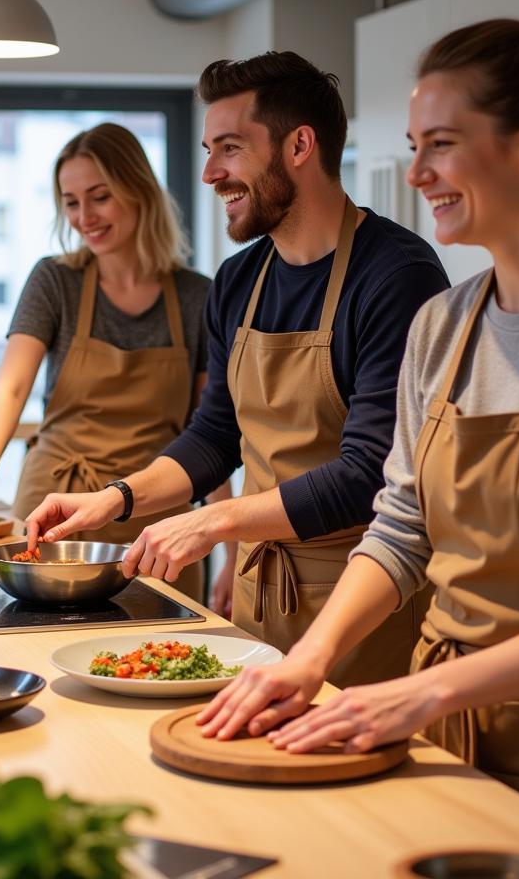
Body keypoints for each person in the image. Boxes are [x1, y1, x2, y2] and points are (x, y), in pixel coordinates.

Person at [197, 0, 519, 870]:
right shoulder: (444, 325)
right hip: (439, 733)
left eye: (440, 145)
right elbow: (403, 527)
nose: (415, 173)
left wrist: (422, 691)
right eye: (415, 146)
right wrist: (310, 661)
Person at [24, 53, 449, 685]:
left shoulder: (396, 276)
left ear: (300, 145)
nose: (209, 173)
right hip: (259, 601)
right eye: (207, 149)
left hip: (363, 604)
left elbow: (370, 474)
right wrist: (114, 500)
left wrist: (214, 521)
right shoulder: (240, 280)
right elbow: (215, 435)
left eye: (229, 148)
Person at [0, 123, 230, 602]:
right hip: (56, 511)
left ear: (139, 190)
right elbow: (11, 387)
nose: (84, 216)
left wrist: (229, 548)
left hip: (156, 519)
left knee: (160, 656)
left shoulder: (198, 296)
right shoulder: (56, 282)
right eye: (71, 202)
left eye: (99, 196)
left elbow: (210, 430)